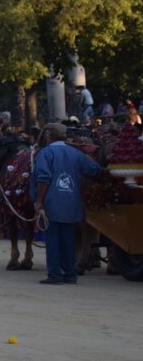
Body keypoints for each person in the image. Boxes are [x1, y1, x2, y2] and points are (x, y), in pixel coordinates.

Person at [31, 122, 103, 285]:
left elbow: (43, 178)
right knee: (68, 239)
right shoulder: (76, 153)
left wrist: (39, 201)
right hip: (72, 202)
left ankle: (55, 275)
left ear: (50, 136)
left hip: (51, 202)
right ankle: (70, 274)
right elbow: (95, 170)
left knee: (53, 240)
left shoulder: (46, 152)